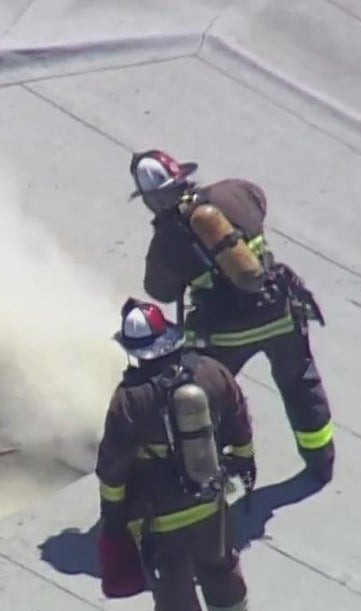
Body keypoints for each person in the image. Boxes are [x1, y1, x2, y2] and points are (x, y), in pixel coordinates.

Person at [130, 149, 335, 483]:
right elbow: (260, 200)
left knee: (203, 398)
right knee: (301, 383)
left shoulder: (167, 241)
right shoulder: (234, 192)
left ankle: (214, 469)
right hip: (280, 313)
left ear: (152, 199)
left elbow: (159, 291)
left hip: (224, 335)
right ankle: (321, 463)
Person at [95, 299, 255, 611]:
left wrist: (113, 517)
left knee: (173, 583)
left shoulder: (128, 401)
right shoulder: (210, 371)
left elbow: (113, 467)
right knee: (220, 560)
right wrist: (244, 459)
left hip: (161, 515)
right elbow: (237, 414)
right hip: (211, 495)